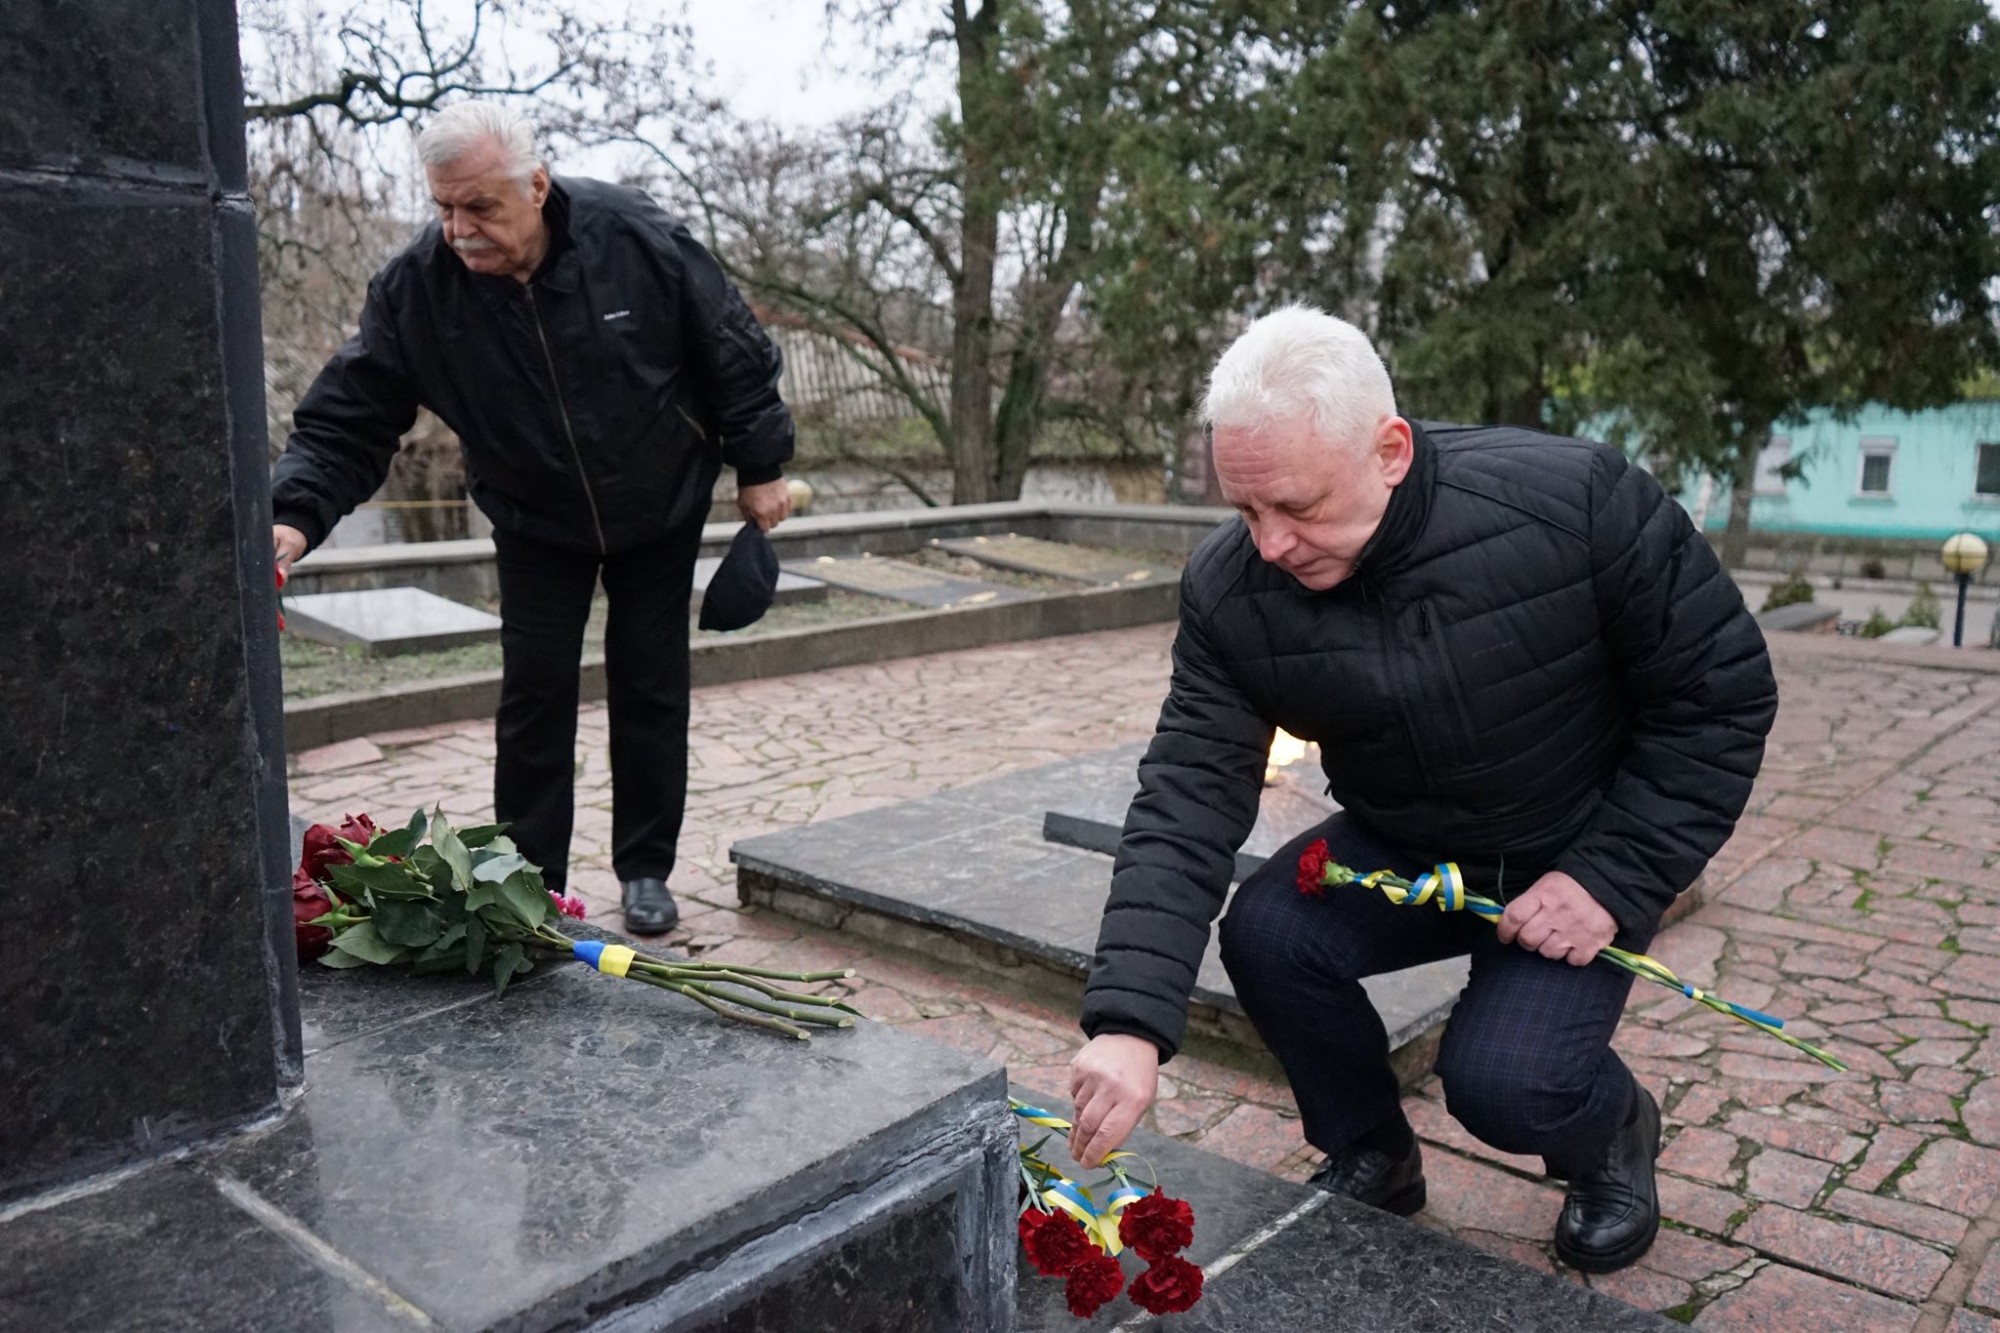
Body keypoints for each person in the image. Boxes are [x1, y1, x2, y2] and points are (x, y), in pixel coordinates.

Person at [1067, 306, 1777, 1274]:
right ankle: (1372, 1149)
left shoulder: (1573, 504)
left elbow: (1719, 691)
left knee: (1499, 1084)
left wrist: (1608, 879)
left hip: (1574, 843)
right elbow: (1188, 788)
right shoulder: (1232, 590)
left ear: (1388, 449)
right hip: (1407, 841)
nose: (1268, 545)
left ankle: (1610, 1133)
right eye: (1244, 511)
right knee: (1268, 932)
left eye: (1296, 508)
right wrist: (1127, 1022)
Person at [270, 102, 796, 937]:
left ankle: (646, 866)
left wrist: (761, 465)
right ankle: (530, 882)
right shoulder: (417, 291)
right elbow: (349, 420)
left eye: (480, 207)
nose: (459, 229)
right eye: (444, 207)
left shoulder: (635, 238)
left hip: (659, 499)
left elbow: (731, 346)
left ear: (537, 187)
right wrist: (292, 516)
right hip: (532, 514)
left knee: (650, 680)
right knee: (534, 694)